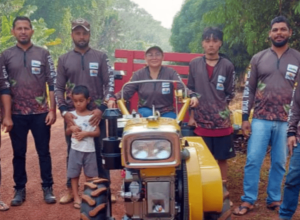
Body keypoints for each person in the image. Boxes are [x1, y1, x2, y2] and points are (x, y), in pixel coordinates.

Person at [233, 16, 300, 215]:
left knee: (279, 161)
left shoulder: (297, 58)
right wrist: (245, 117)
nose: (279, 33)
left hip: (286, 121)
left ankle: (274, 199)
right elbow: (249, 89)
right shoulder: (258, 58)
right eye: (275, 30)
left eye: (283, 29)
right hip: (261, 117)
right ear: (269, 34)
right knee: (253, 159)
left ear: (289, 33)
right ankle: (248, 200)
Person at [55, 18, 115, 204]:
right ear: (72, 35)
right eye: (78, 33)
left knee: (100, 152)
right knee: (72, 151)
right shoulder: (64, 59)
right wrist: (65, 113)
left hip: (96, 116)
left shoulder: (101, 56)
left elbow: (110, 83)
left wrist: (102, 109)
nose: (81, 36)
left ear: (90, 34)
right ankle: (71, 191)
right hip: (73, 116)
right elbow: (58, 87)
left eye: (85, 33)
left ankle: (104, 189)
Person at [0, 16, 57, 206]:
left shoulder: (43, 53)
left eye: (26, 28)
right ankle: (19, 190)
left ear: (32, 31)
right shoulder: (5, 55)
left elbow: (52, 83)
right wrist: (6, 116)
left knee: (44, 152)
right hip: (16, 114)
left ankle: (48, 188)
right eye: (19, 28)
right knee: (18, 153)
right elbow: (4, 86)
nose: (23, 31)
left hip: (41, 113)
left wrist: (52, 110)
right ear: (13, 32)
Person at [187, 27, 236, 192]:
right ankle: (203, 187)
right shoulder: (194, 64)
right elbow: (190, 89)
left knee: (222, 157)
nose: (211, 45)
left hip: (221, 121)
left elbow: (231, 92)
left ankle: (223, 187)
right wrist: (192, 116)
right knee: (202, 157)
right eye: (207, 41)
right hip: (200, 120)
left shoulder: (227, 65)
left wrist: (218, 106)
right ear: (202, 43)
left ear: (220, 43)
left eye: (215, 41)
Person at [115, 46, 199, 118]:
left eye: (157, 54)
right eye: (150, 55)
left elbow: (182, 87)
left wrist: (192, 95)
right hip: (145, 111)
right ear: (145, 58)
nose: (154, 57)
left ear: (163, 57)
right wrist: (113, 98)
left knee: (174, 128)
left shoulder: (170, 72)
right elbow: (126, 92)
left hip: (167, 111)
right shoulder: (138, 74)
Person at [66, 85, 100, 209]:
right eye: (75, 101)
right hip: (75, 150)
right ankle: (76, 197)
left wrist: (86, 133)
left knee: (90, 176)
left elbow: (97, 132)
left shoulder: (92, 115)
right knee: (74, 175)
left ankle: (89, 197)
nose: (78, 104)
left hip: (89, 150)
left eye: (81, 101)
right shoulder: (71, 115)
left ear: (88, 100)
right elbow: (67, 132)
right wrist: (71, 128)